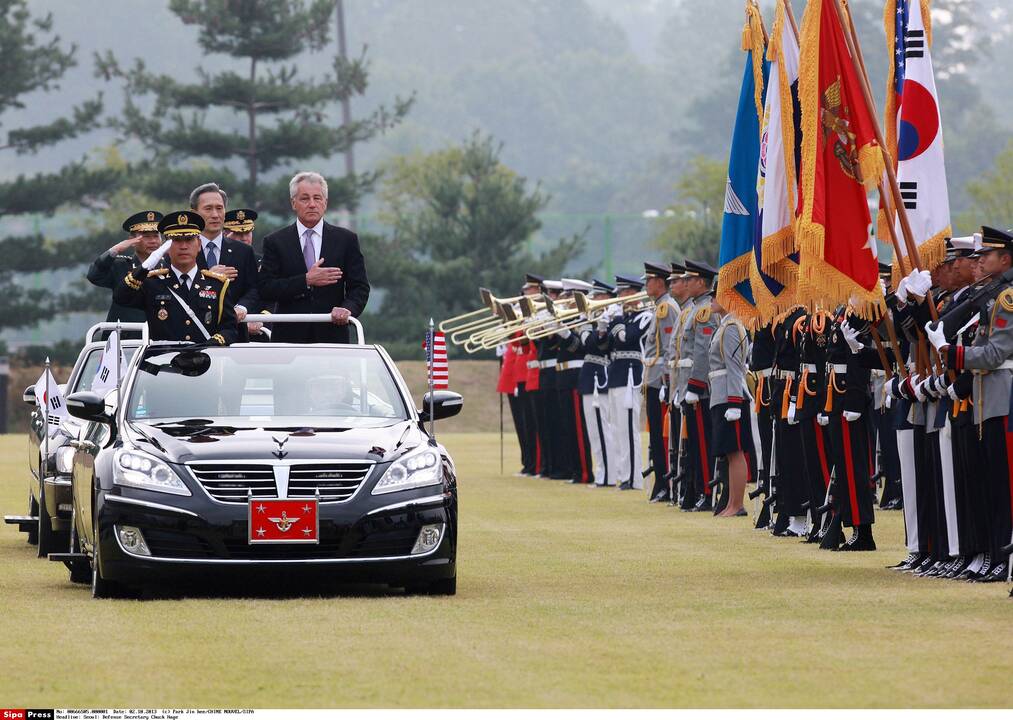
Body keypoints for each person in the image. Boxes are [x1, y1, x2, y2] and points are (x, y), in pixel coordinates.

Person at [257, 171, 370, 344]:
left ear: (325, 203)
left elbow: (360, 287)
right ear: (293, 203)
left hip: (332, 336)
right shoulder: (275, 241)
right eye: (305, 198)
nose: (312, 204)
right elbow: (266, 288)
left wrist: (347, 309)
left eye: (317, 198)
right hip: (289, 338)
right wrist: (306, 280)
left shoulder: (346, 240)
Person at [113, 211, 238, 345]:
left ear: (199, 244)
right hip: (162, 361)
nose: (183, 246)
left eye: (189, 239)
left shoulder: (217, 284)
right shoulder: (152, 282)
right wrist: (146, 266)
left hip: (206, 359)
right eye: (176, 240)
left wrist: (211, 345)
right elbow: (121, 298)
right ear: (166, 246)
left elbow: (230, 328)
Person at [599, 275, 652, 491]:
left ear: (633, 293)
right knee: (618, 428)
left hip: (631, 375)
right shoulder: (621, 318)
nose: (619, 297)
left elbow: (629, 338)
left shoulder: (645, 316)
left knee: (629, 429)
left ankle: (634, 477)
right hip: (615, 375)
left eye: (623, 292)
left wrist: (617, 320)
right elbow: (604, 346)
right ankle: (623, 473)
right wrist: (603, 327)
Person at [190, 184, 263, 338]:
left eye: (219, 208)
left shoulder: (243, 251)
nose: (215, 215)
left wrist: (242, 307)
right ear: (194, 213)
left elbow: (254, 288)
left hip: (234, 334)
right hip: (194, 333)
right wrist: (208, 276)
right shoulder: (182, 251)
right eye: (208, 209)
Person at [708, 295, 753, 517]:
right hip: (721, 395)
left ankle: (737, 505)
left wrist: (734, 403)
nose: (711, 299)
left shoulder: (732, 327)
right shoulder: (725, 324)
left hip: (730, 397)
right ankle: (731, 504)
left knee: (735, 452)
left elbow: (734, 368)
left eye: (717, 295)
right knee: (728, 451)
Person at [643, 261, 680, 503]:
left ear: (659, 281)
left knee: (661, 436)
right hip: (654, 379)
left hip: (660, 380)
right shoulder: (660, 307)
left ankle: (665, 484)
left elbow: (668, 349)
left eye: (649, 280)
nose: (646, 284)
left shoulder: (666, 308)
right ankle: (661, 482)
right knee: (655, 435)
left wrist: (667, 380)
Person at [87, 211, 165, 324]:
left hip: (160, 338)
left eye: (156, 236)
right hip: (125, 337)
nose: (153, 241)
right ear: (132, 240)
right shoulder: (120, 265)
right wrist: (115, 250)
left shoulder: (169, 267)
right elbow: (94, 276)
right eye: (147, 237)